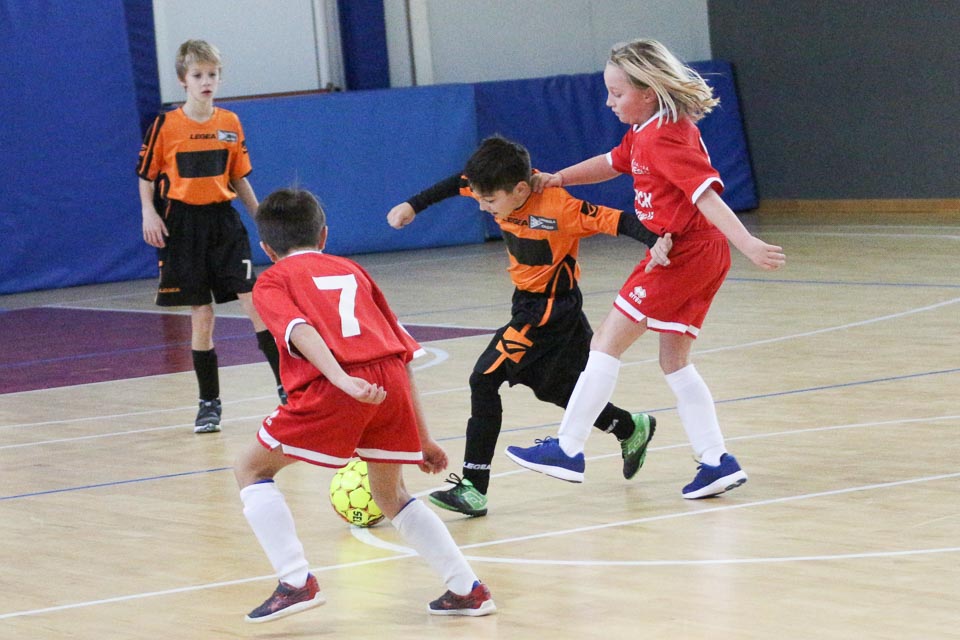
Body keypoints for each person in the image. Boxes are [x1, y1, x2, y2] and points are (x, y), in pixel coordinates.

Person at [505, 39, 786, 499]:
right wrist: (560, 177)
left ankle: (568, 448)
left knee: (605, 342)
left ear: (648, 92)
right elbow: (611, 162)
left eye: (617, 93)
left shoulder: (664, 136)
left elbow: (706, 196)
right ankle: (716, 460)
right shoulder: (646, 130)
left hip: (687, 254)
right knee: (673, 361)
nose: (609, 102)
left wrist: (749, 243)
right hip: (692, 252)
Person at [235, 187, 496, 623]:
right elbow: (402, 353)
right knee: (391, 495)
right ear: (323, 235)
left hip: (338, 386)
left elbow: (299, 330)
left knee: (250, 469)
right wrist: (423, 437)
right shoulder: (353, 270)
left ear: (266, 248)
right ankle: (467, 589)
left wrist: (341, 379)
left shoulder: (273, 280)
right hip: (390, 382)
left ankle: (295, 581)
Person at [386, 135, 672, 515]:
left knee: (484, 378)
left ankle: (474, 486)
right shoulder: (493, 185)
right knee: (557, 388)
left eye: (490, 201)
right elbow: (458, 183)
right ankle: (628, 427)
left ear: (520, 189)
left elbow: (615, 219)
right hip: (534, 303)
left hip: (547, 310)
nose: (484, 207)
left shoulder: (557, 206)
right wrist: (412, 205)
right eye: (480, 198)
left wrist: (655, 241)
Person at [137, 40, 285, 434]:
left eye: (212, 75)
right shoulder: (166, 126)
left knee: (254, 302)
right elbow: (146, 176)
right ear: (183, 80)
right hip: (183, 226)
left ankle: (287, 388)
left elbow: (238, 177)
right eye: (198, 75)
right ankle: (209, 403)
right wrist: (149, 212)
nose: (206, 81)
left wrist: (262, 220)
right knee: (202, 315)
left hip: (224, 223)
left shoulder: (230, 123)